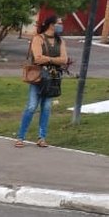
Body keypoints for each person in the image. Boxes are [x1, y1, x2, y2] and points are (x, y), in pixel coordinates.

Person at [15, 15, 69, 148]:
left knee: (46, 107)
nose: (60, 25)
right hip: (39, 77)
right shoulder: (38, 38)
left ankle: (42, 137)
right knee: (32, 106)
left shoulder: (60, 40)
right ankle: (20, 137)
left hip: (53, 77)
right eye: (59, 23)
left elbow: (64, 59)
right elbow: (38, 58)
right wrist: (54, 59)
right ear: (51, 24)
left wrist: (48, 59)